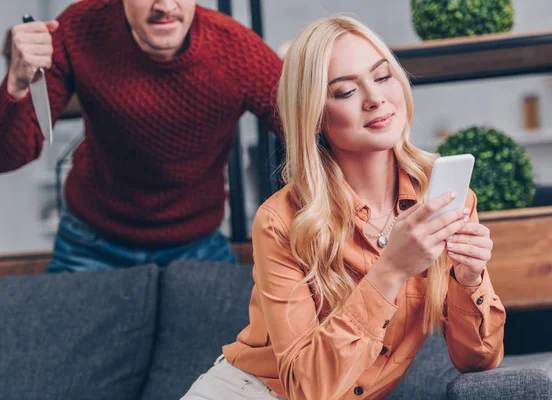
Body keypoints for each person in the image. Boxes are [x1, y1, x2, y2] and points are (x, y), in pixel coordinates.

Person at [181, 15, 505, 400]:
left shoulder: (447, 199)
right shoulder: (281, 220)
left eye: (382, 76)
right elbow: (308, 389)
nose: (375, 98)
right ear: (315, 116)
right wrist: (391, 271)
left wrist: (469, 280)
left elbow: (478, 363)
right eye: (345, 91)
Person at [0, 0, 283, 272]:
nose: (165, 5)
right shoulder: (79, 28)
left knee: (235, 332)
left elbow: (310, 128)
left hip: (197, 245)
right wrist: (17, 84)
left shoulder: (237, 50)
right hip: (90, 242)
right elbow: (5, 157)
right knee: (57, 334)